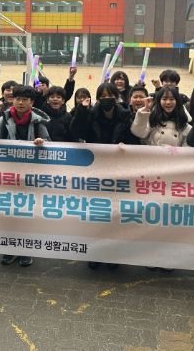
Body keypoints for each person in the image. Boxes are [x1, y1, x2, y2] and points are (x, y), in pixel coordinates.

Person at [0, 84, 50, 267]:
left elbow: (49, 144)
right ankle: (10, 248)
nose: (20, 103)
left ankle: (26, 249)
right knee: (8, 213)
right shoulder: (4, 117)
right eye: (17, 99)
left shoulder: (38, 122)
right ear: (12, 100)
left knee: (27, 214)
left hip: (29, 177)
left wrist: (41, 143)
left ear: (31, 102)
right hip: (7, 174)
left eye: (25, 100)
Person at [69, 82, 132, 270]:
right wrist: (82, 111)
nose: (106, 99)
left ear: (117, 97)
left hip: (119, 172)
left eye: (110, 95)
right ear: (97, 99)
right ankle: (95, 252)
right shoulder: (90, 114)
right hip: (95, 171)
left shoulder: (126, 115)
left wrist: (125, 146)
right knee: (96, 214)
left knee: (116, 216)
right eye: (102, 96)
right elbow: (76, 131)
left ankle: (113, 253)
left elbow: (134, 139)